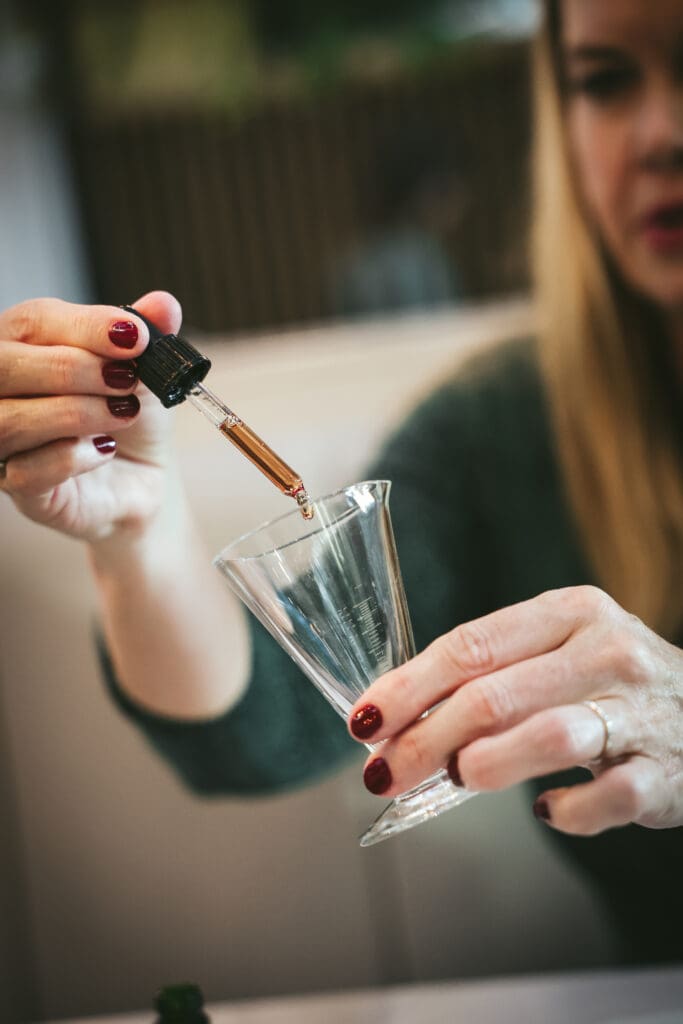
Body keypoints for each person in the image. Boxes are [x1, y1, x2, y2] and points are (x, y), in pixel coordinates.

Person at [1, 0, 683, 965]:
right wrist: (135, 532)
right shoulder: (503, 430)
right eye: (606, 80)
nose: (661, 133)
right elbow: (263, 727)